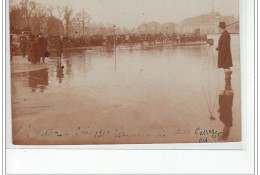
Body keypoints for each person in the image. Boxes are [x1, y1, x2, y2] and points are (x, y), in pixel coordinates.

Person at [216, 22, 233, 92]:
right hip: (225, 54)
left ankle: (227, 84)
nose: (218, 29)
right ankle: (227, 85)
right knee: (226, 67)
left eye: (219, 28)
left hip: (225, 55)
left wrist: (221, 52)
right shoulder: (225, 34)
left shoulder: (225, 34)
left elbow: (225, 46)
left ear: (221, 28)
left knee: (226, 66)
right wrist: (218, 48)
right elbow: (223, 45)